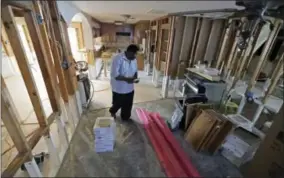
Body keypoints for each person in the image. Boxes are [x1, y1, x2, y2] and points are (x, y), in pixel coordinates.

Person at [109, 44, 139, 121]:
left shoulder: (134, 59)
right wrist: (127, 80)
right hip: (119, 87)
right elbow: (116, 75)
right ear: (129, 52)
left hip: (129, 87)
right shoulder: (118, 58)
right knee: (118, 103)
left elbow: (135, 71)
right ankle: (113, 111)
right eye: (134, 54)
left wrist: (135, 77)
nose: (135, 57)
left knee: (128, 105)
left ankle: (125, 115)